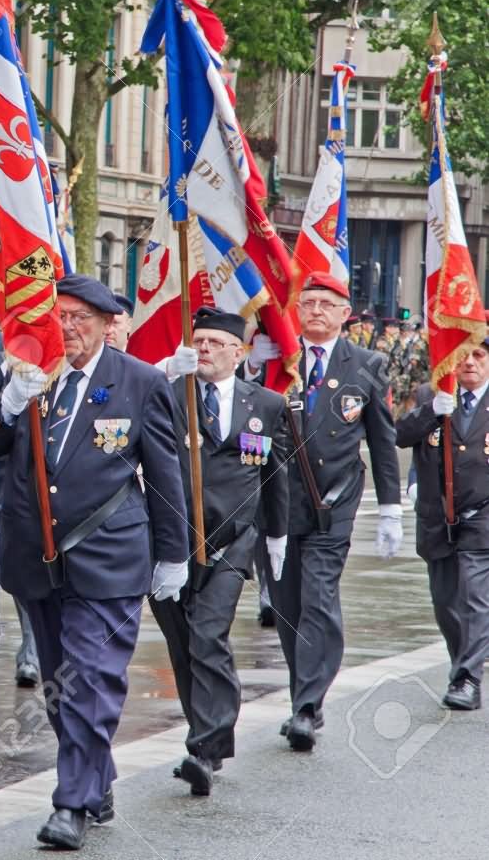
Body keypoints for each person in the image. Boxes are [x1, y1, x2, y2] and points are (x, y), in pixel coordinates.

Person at [0, 273, 188, 850]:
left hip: (111, 555)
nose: (68, 328)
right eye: (60, 317)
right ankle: (96, 775)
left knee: (91, 680)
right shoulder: (27, 370)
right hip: (35, 555)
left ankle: (72, 802)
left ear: (105, 325)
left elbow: (165, 473)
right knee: (57, 683)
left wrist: (174, 554)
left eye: (80, 318)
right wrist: (8, 403)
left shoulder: (140, 382)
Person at [250, 272, 402, 751]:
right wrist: (253, 369)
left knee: (318, 598)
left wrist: (393, 507)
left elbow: (381, 441)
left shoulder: (368, 364)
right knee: (288, 605)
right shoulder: (279, 362)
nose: (315, 310)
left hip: (332, 504)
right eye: (308, 302)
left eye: (325, 304)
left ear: (343, 314)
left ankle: (307, 706)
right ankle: (302, 694)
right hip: (277, 501)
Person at [150, 307, 289, 796]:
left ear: (239, 351)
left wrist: (276, 537)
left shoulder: (266, 405)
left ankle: (204, 750)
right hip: (169, 542)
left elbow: (275, 475)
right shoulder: (166, 396)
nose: (205, 349)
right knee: (183, 646)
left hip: (232, 543)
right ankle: (205, 738)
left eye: (214, 342)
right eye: (199, 341)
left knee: (209, 637)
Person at [397, 329, 489, 711]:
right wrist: (432, 409)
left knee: (474, 594)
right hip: (438, 516)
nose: (469, 362)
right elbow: (399, 436)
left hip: (483, 514)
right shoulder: (429, 394)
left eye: (479, 357)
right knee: (445, 601)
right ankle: (462, 663)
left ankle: (469, 676)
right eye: (462, 355)